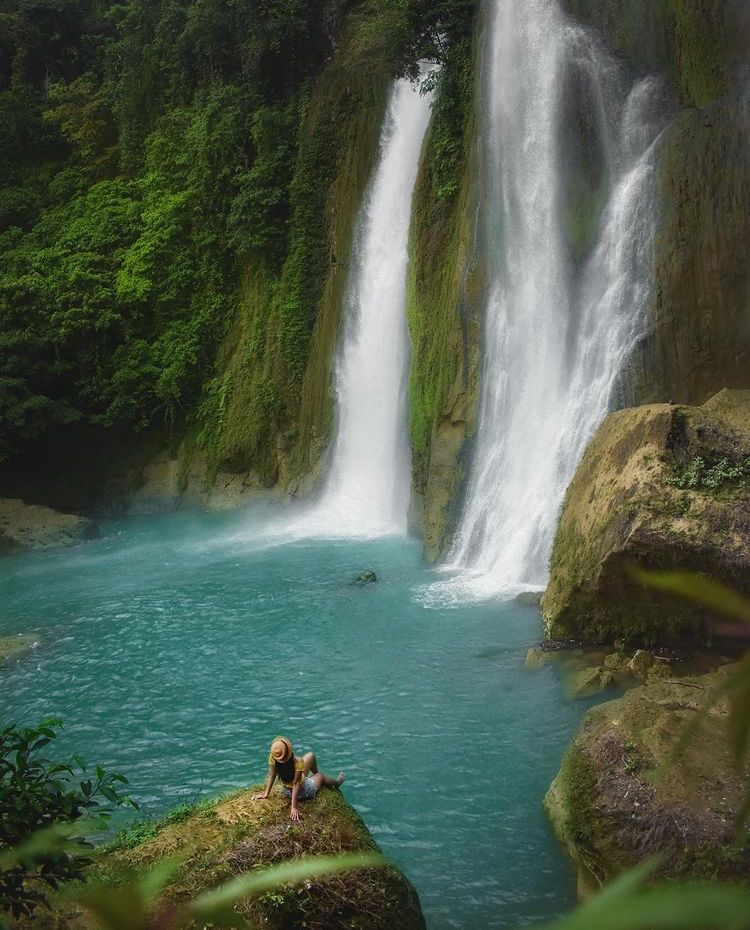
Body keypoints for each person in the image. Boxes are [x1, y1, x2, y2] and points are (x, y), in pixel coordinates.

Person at [252, 736, 346, 821]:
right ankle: (336, 783)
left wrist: (266, 794)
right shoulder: (298, 762)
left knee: (310, 756)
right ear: (289, 750)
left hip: (287, 787)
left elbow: (272, 775)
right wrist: (293, 807)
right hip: (302, 791)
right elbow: (296, 784)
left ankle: (315, 777)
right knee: (321, 775)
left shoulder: (273, 758)